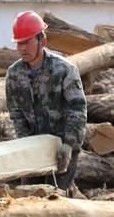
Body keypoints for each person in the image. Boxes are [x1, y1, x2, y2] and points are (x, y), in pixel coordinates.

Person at [6, 11, 87, 192]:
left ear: (42, 41)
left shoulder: (64, 70)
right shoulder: (14, 74)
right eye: (19, 43)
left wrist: (68, 145)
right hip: (32, 148)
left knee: (56, 198)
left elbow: (77, 110)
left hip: (61, 148)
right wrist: (25, 144)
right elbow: (16, 114)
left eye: (26, 42)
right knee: (30, 199)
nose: (22, 48)